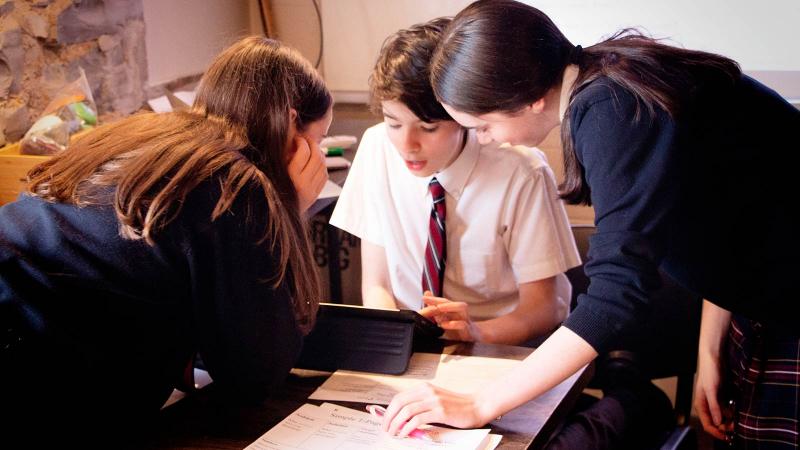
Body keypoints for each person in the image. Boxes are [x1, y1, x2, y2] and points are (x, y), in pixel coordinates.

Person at [381, 1, 800, 449]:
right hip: (756, 304)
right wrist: (710, 350)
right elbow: (729, 211)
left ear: (530, 97)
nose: (486, 140)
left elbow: (617, 295)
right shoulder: (608, 77)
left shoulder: (610, 109)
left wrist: (481, 404)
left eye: (483, 126)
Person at [0, 36, 332, 447]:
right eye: (317, 142)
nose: (317, 158)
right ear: (290, 126)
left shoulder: (144, 133)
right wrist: (290, 208)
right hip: (31, 363)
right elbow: (257, 373)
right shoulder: (237, 184)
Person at [330, 18, 579, 345]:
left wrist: (474, 334)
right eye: (393, 123)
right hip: (410, 343)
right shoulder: (377, 147)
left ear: (464, 117)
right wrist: (395, 342)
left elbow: (547, 307)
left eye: (429, 128)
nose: (407, 144)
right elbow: (377, 284)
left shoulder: (521, 171)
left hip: (497, 343)